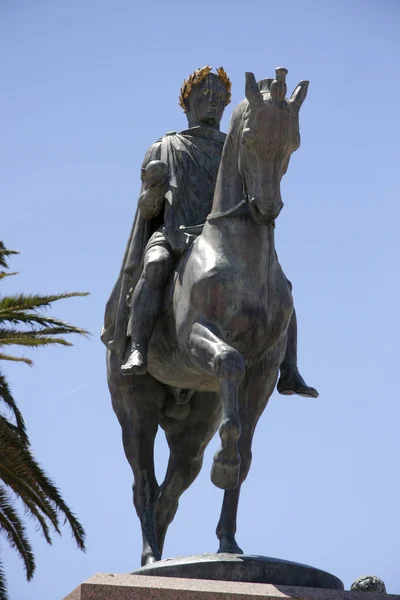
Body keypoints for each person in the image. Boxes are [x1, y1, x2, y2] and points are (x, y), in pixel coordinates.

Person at [102, 66, 318, 398]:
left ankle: (288, 368)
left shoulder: (235, 144)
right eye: (205, 95)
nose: (213, 103)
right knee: (156, 264)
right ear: (186, 103)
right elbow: (147, 210)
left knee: (280, 284)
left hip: (224, 240)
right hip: (175, 234)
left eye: (220, 97)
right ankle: (139, 346)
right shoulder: (166, 146)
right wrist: (155, 190)